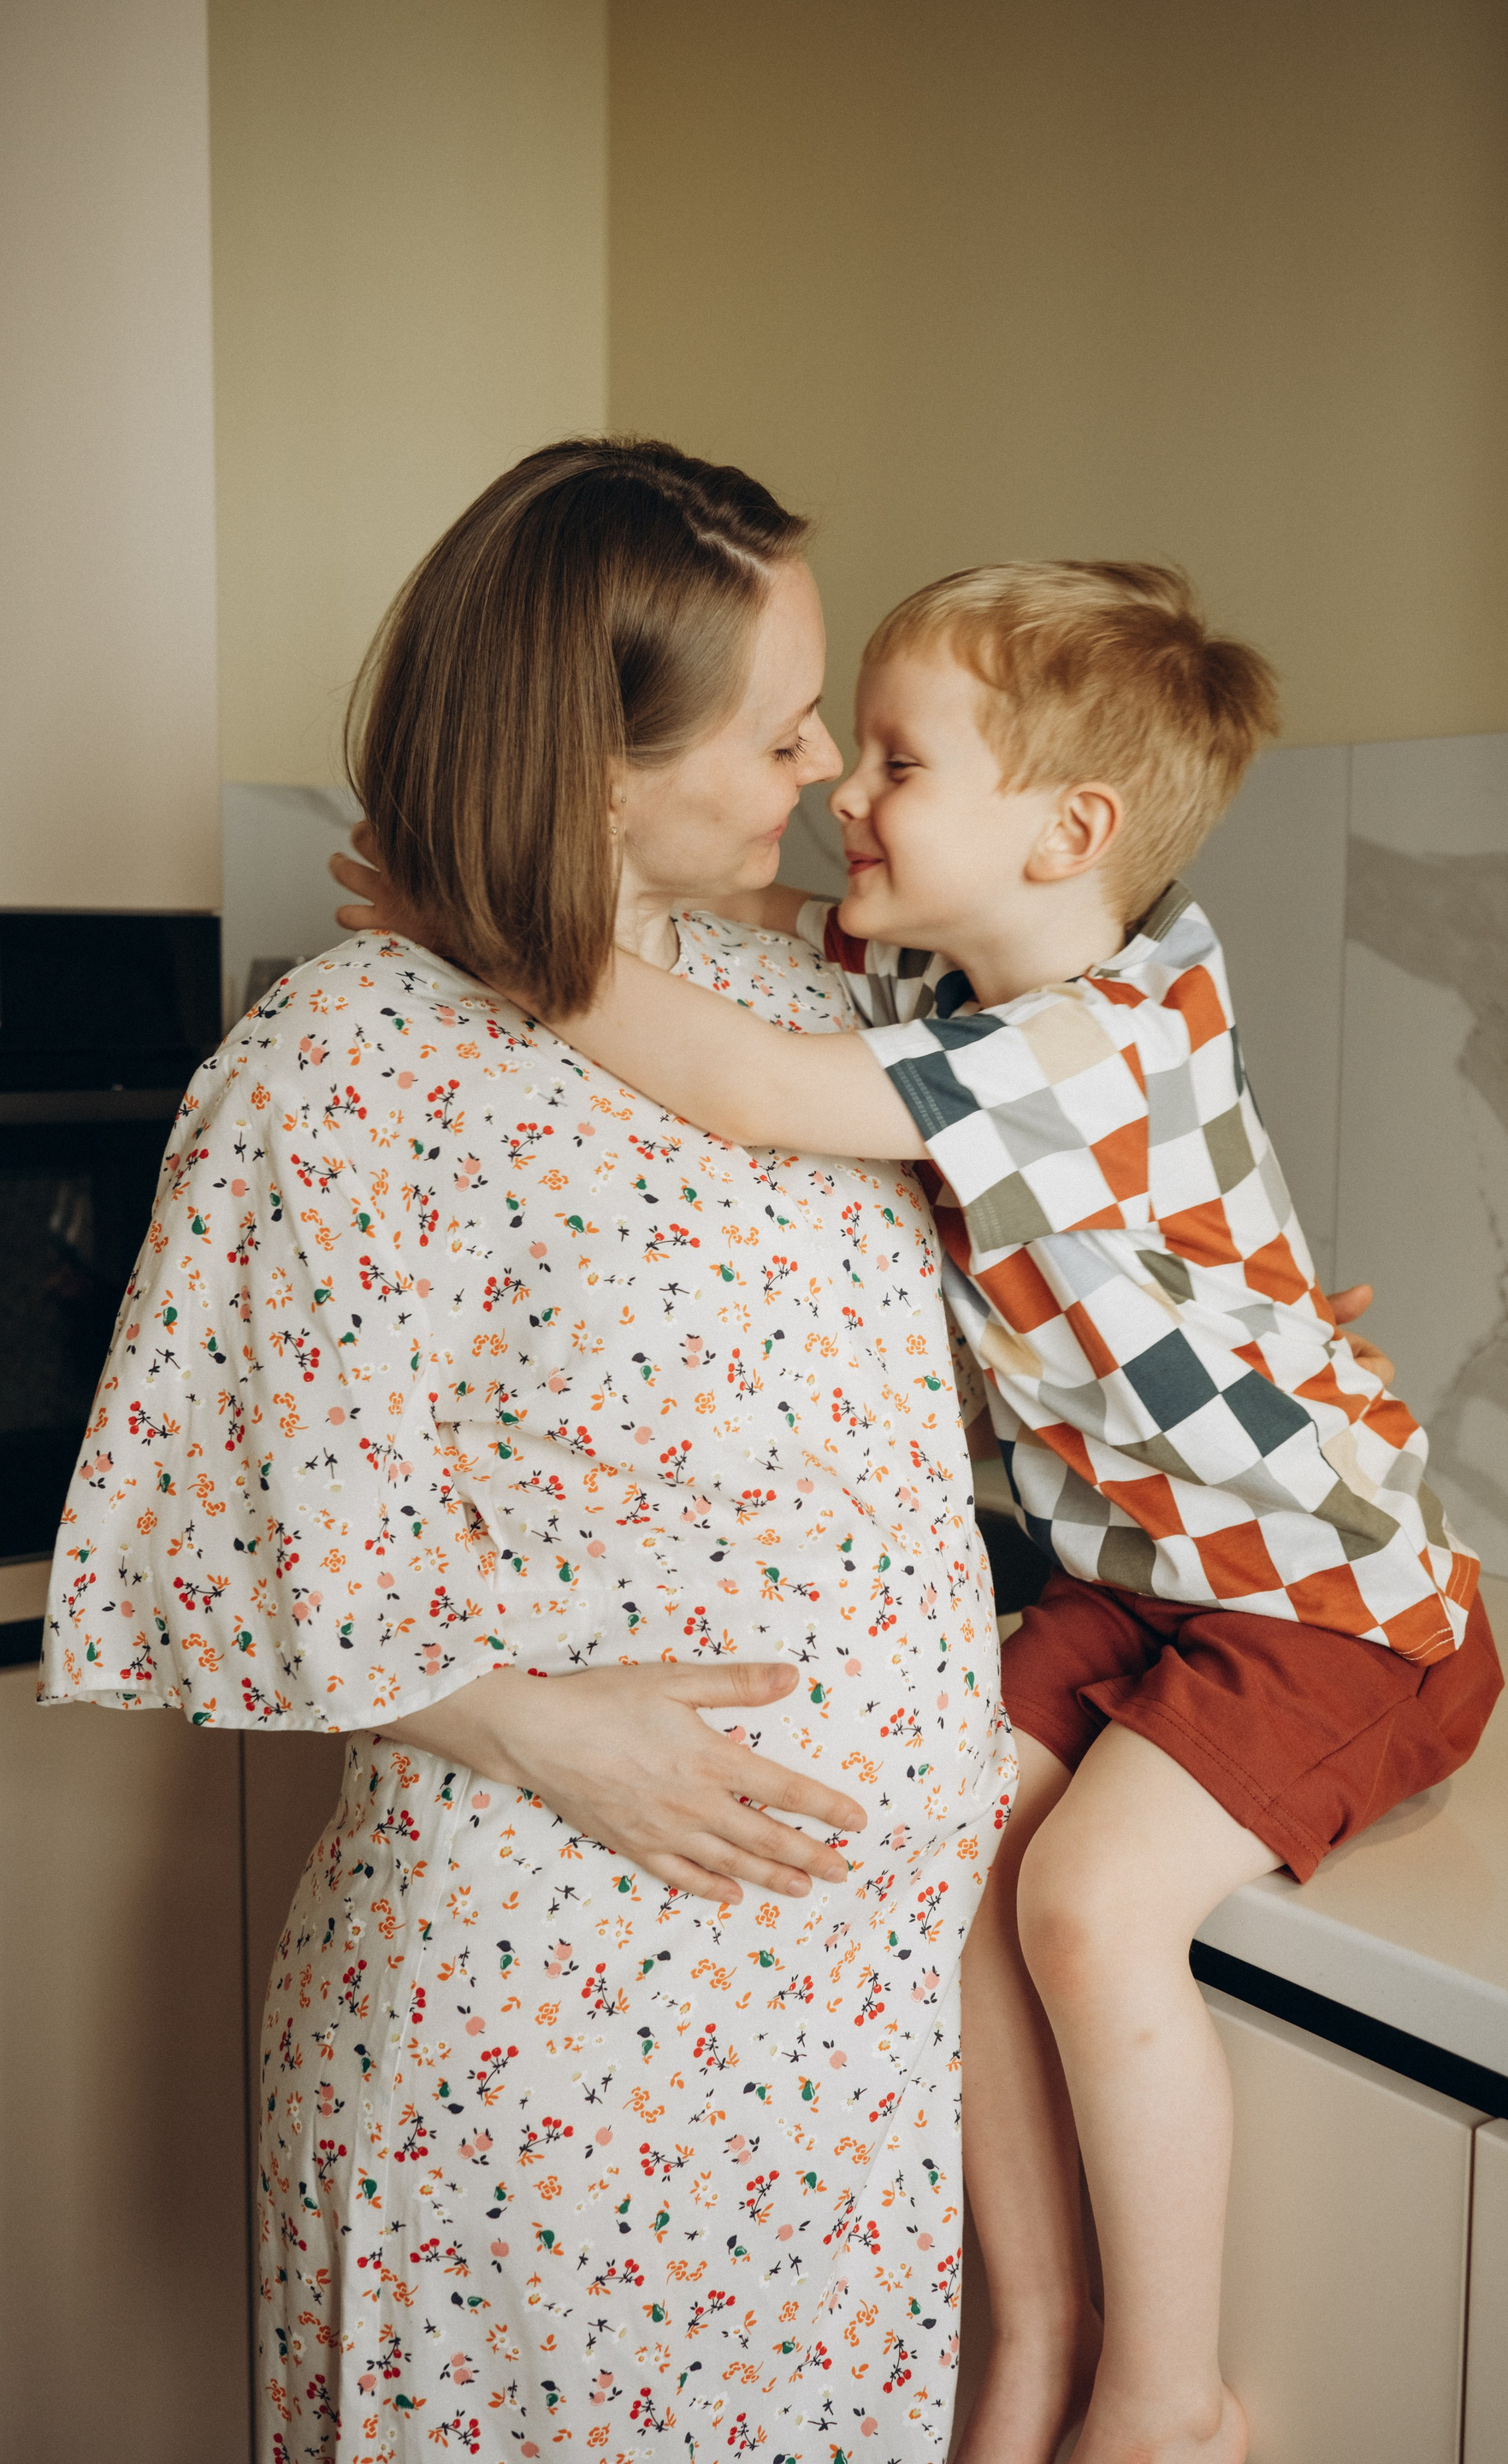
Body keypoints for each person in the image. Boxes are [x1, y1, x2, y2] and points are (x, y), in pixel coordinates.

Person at [41, 439, 1017, 2462]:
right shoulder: (350, 1060)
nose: (825, 770)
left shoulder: (805, 1007)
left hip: (845, 2055)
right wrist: (556, 1736)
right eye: (779, 728)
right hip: (550, 2036)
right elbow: (225, 1533)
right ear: (595, 766)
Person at [540, 558, 1505, 2464]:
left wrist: (499, 935)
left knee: (1088, 1899)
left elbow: (755, 1083)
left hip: (1339, 1605)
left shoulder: (1093, 1043)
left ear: (1070, 833)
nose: (844, 791)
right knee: (943, 1815)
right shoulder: (962, 987)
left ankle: (1169, 2397)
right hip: (1150, 1577)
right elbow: (758, 924)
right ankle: (1037, 2332)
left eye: (897, 763)